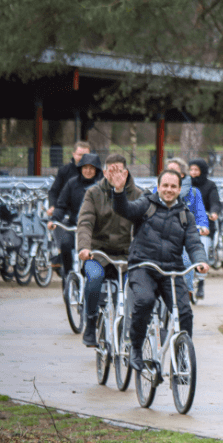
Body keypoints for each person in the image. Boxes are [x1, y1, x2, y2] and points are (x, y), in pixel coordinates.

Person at [107, 166, 208, 374]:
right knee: (145, 300)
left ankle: (180, 361)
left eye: (173, 186)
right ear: (158, 187)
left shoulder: (185, 216)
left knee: (185, 312)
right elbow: (125, 209)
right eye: (165, 186)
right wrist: (118, 191)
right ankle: (135, 348)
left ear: (180, 189)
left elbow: (194, 243)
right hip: (143, 266)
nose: (169, 190)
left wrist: (200, 260)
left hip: (171, 272)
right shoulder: (146, 204)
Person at [75, 153, 143, 347]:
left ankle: (133, 329)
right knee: (94, 278)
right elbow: (85, 222)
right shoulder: (93, 193)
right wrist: (84, 247)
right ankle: (90, 322)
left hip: (128, 255)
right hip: (98, 253)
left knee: (139, 286)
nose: (114, 175)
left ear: (126, 172)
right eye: (110, 171)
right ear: (104, 172)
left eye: (118, 171)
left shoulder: (138, 194)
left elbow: (146, 224)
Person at [48, 153, 102, 283]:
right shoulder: (72, 183)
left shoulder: (102, 185)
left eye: (91, 168)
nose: (88, 171)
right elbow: (61, 205)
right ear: (80, 168)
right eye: (85, 168)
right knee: (65, 243)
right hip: (74, 226)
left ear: (96, 170)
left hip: (95, 229)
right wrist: (54, 220)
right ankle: (67, 275)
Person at [163, 158, 208, 302]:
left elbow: (200, 214)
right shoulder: (157, 191)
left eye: (173, 170)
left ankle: (187, 293)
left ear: (182, 174)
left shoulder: (194, 193)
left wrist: (203, 226)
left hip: (184, 236)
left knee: (187, 260)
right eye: (167, 170)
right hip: (163, 236)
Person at [188, 159, 221, 300]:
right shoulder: (185, 185)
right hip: (187, 226)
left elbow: (215, 202)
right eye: (191, 170)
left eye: (196, 170)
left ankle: (201, 282)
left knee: (203, 250)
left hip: (204, 226)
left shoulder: (210, 186)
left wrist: (214, 213)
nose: (193, 173)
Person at [47, 141, 90, 217]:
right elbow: (54, 192)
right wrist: (52, 206)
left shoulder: (97, 173)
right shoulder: (64, 171)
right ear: (74, 154)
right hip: (67, 215)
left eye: (86, 155)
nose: (83, 158)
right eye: (80, 155)